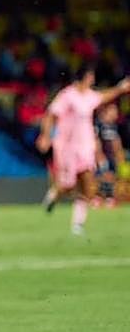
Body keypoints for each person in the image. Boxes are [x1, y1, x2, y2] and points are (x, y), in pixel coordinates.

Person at [36, 66, 130, 235]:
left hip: (85, 146)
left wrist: (120, 88)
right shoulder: (67, 96)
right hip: (66, 146)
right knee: (68, 185)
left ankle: (77, 225)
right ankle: (54, 195)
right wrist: (46, 136)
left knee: (87, 184)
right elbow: (51, 114)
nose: (93, 80)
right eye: (91, 76)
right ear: (85, 77)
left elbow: (103, 96)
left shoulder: (89, 96)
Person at [94, 102, 123, 208]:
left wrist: (119, 155)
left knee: (112, 176)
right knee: (103, 176)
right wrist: (99, 155)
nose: (116, 113)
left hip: (111, 156)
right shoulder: (99, 124)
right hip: (102, 156)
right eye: (113, 110)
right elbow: (95, 140)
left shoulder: (113, 126)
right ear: (107, 111)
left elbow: (116, 141)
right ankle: (98, 198)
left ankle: (109, 198)